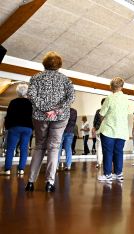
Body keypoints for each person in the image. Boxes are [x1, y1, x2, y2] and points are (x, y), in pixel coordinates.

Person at [25, 51, 75, 192]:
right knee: (54, 147)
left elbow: (31, 96)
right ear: (59, 65)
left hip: (40, 116)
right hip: (60, 117)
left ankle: (30, 182)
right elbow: (71, 98)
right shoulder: (66, 80)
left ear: (44, 64)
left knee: (39, 146)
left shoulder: (35, 78)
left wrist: (45, 109)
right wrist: (56, 110)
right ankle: (49, 183)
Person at [97, 77, 129, 182]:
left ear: (111, 86)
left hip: (109, 130)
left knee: (108, 152)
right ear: (122, 86)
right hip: (122, 130)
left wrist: (103, 120)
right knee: (119, 152)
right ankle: (118, 174)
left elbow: (101, 114)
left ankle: (107, 175)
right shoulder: (126, 99)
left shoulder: (109, 98)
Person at [0, 84, 33, 176]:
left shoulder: (13, 102)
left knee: (10, 149)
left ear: (17, 92)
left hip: (14, 127)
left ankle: (7, 170)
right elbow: (33, 117)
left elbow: (8, 116)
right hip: (27, 128)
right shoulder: (31, 103)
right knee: (24, 149)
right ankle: (21, 170)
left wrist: (7, 127)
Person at [93, 98, 105, 168]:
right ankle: (107, 163)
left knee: (99, 147)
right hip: (107, 131)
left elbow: (95, 121)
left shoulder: (98, 111)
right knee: (107, 148)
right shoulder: (108, 111)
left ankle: (99, 163)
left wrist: (95, 128)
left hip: (99, 130)